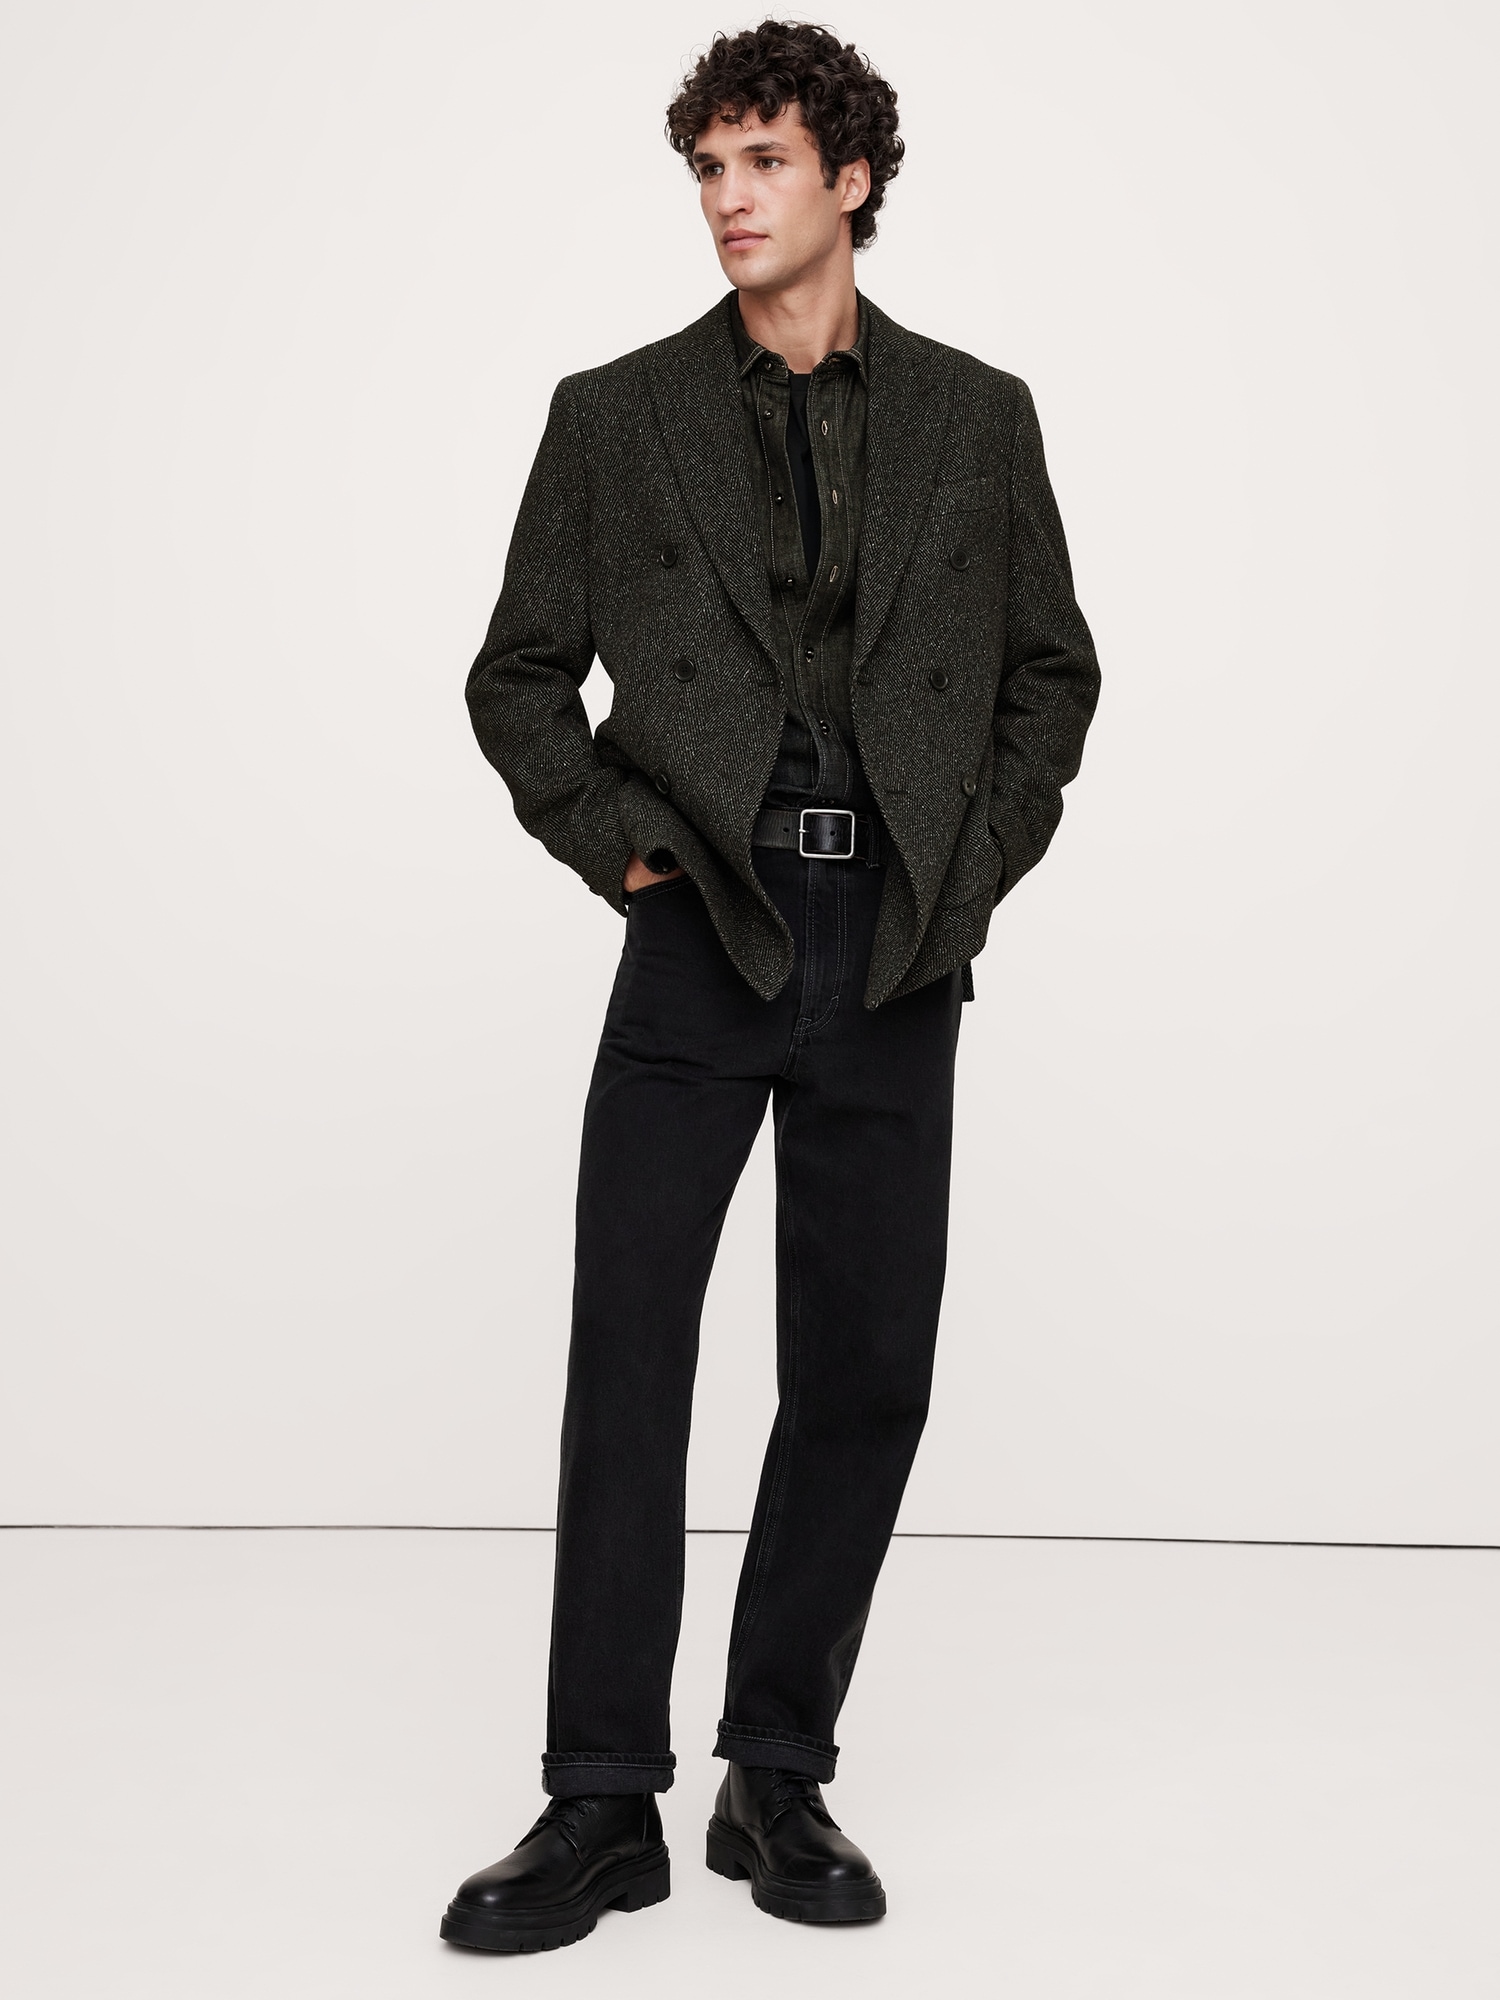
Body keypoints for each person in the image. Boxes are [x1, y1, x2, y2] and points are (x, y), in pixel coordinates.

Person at [440, 18, 1099, 1953]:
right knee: (630, 1353)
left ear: (852, 179)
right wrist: (616, 841)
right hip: (704, 924)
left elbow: (1050, 672)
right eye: (707, 168)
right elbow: (516, 674)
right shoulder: (616, 413)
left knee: (866, 1367)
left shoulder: (980, 418)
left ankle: (777, 1770)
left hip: (894, 937)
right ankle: (598, 1801)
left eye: (762, 163)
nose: (727, 200)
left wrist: (968, 867)